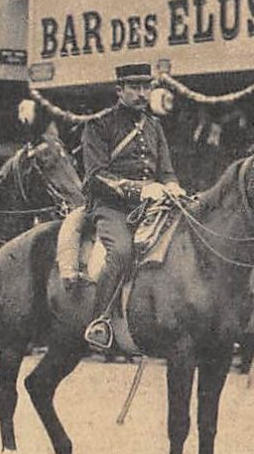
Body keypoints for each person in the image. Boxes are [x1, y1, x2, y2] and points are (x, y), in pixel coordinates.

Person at [72, 63, 183, 287]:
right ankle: (100, 319)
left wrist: (172, 186)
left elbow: (166, 171)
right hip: (112, 208)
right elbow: (96, 176)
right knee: (121, 253)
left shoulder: (154, 125)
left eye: (146, 87)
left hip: (153, 206)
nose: (142, 94)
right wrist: (139, 190)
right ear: (119, 91)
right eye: (134, 87)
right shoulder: (99, 123)